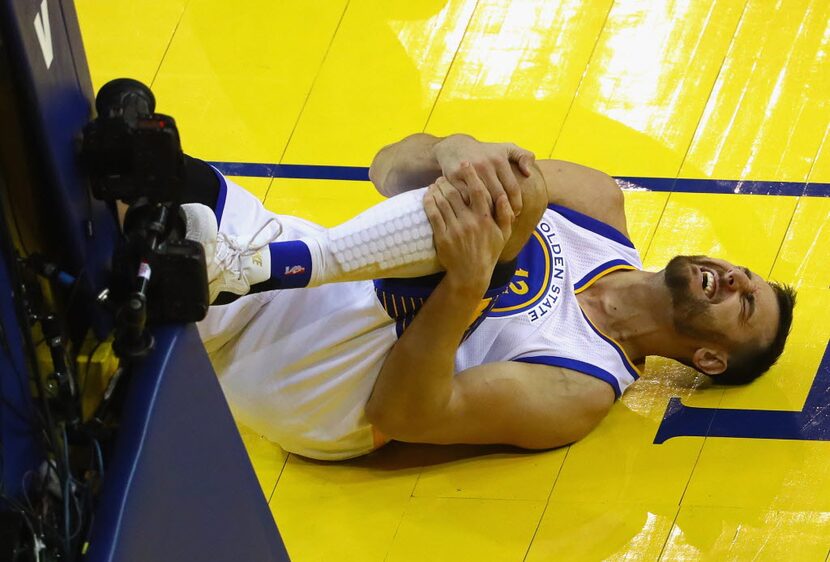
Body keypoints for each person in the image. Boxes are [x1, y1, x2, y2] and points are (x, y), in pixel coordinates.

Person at [183, 133, 796, 461]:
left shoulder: (580, 390)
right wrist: (453, 148)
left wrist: (469, 285)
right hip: (300, 274)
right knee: (150, 178)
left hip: (324, 382)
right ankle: (249, 265)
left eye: (746, 304)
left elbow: (403, 416)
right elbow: (388, 168)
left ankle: (249, 271)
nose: (735, 279)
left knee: (506, 213)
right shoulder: (597, 204)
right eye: (744, 273)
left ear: (710, 360)